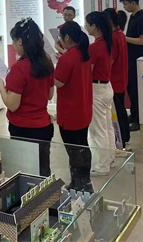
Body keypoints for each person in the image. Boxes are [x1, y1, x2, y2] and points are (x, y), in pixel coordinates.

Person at [0, 18, 54, 177]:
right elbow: (49, 95)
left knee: (26, 174)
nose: (13, 45)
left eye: (13, 41)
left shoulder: (19, 69)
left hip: (23, 129)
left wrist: (1, 87)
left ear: (20, 41)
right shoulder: (46, 62)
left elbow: (13, 105)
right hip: (43, 126)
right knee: (43, 171)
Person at [55, 21, 94, 192]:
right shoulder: (83, 53)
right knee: (83, 146)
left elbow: (59, 82)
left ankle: (78, 185)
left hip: (70, 113)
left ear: (67, 38)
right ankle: (85, 182)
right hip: (83, 110)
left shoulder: (67, 58)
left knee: (73, 151)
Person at [84, 11, 115, 176]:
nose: (85, 27)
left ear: (94, 26)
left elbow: (87, 71)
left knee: (97, 130)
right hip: (106, 87)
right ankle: (109, 159)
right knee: (107, 127)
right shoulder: (107, 43)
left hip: (96, 89)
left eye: (87, 24)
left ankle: (101, 166)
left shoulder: (94, 47)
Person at [120, 0, 143, 132]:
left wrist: (124, 38)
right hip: (131, 59)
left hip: (138, 60)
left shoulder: (142, 19)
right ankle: (133, 115)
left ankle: (138, 119)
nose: (125, 7)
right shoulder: (132, 17)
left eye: (126, 4)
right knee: (131, 89)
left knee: (136, 90)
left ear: (133, 2)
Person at [103, 8, 130, 150]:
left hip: (114, 79)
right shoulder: (120, 34)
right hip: (121, 79)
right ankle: (125, 139)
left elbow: (110, 60)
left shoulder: (113, 37)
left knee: (117, 113)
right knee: (121, 110)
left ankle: (120, 142)